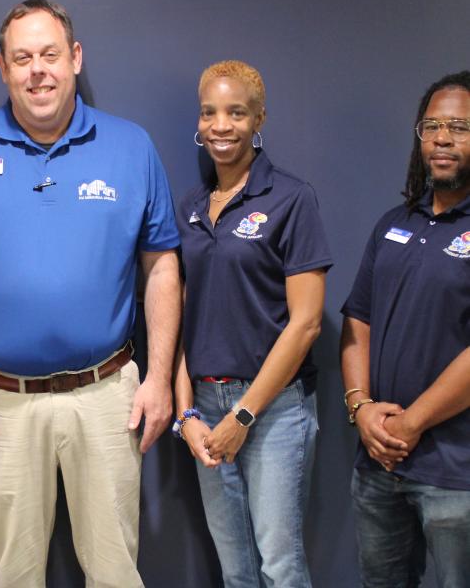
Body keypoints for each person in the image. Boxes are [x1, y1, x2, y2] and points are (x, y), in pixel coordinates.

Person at [0, 0, 181, 588]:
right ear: (2, 67)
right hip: (0, 404)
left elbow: (161, 265)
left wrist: (158, 379)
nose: (38, 70)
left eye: (50, 55)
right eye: (22, 57)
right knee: (13, 574)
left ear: (76, 58)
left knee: (115, 572)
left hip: (108, 396)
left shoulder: (131, 147)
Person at [172, 60, 331, 587]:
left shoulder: (291, 198)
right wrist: (185, 412)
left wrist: (243, 416)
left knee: (280, 567)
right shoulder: (191, 207)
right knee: (235, 569)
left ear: (258, 118)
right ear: (198, 122)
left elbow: (307, 324)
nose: (221, 125)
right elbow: (177, 317)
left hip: (274, 411)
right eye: (210, 113)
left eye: (236, 113)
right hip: (205, 406)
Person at [340, 70, 470, 588]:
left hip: (455, 473)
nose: (441, 138)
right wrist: (360, 407)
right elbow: (357, 319)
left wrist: (411, 423)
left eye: (459, 127)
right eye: (431, 125)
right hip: (379, 463)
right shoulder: (394, 222)